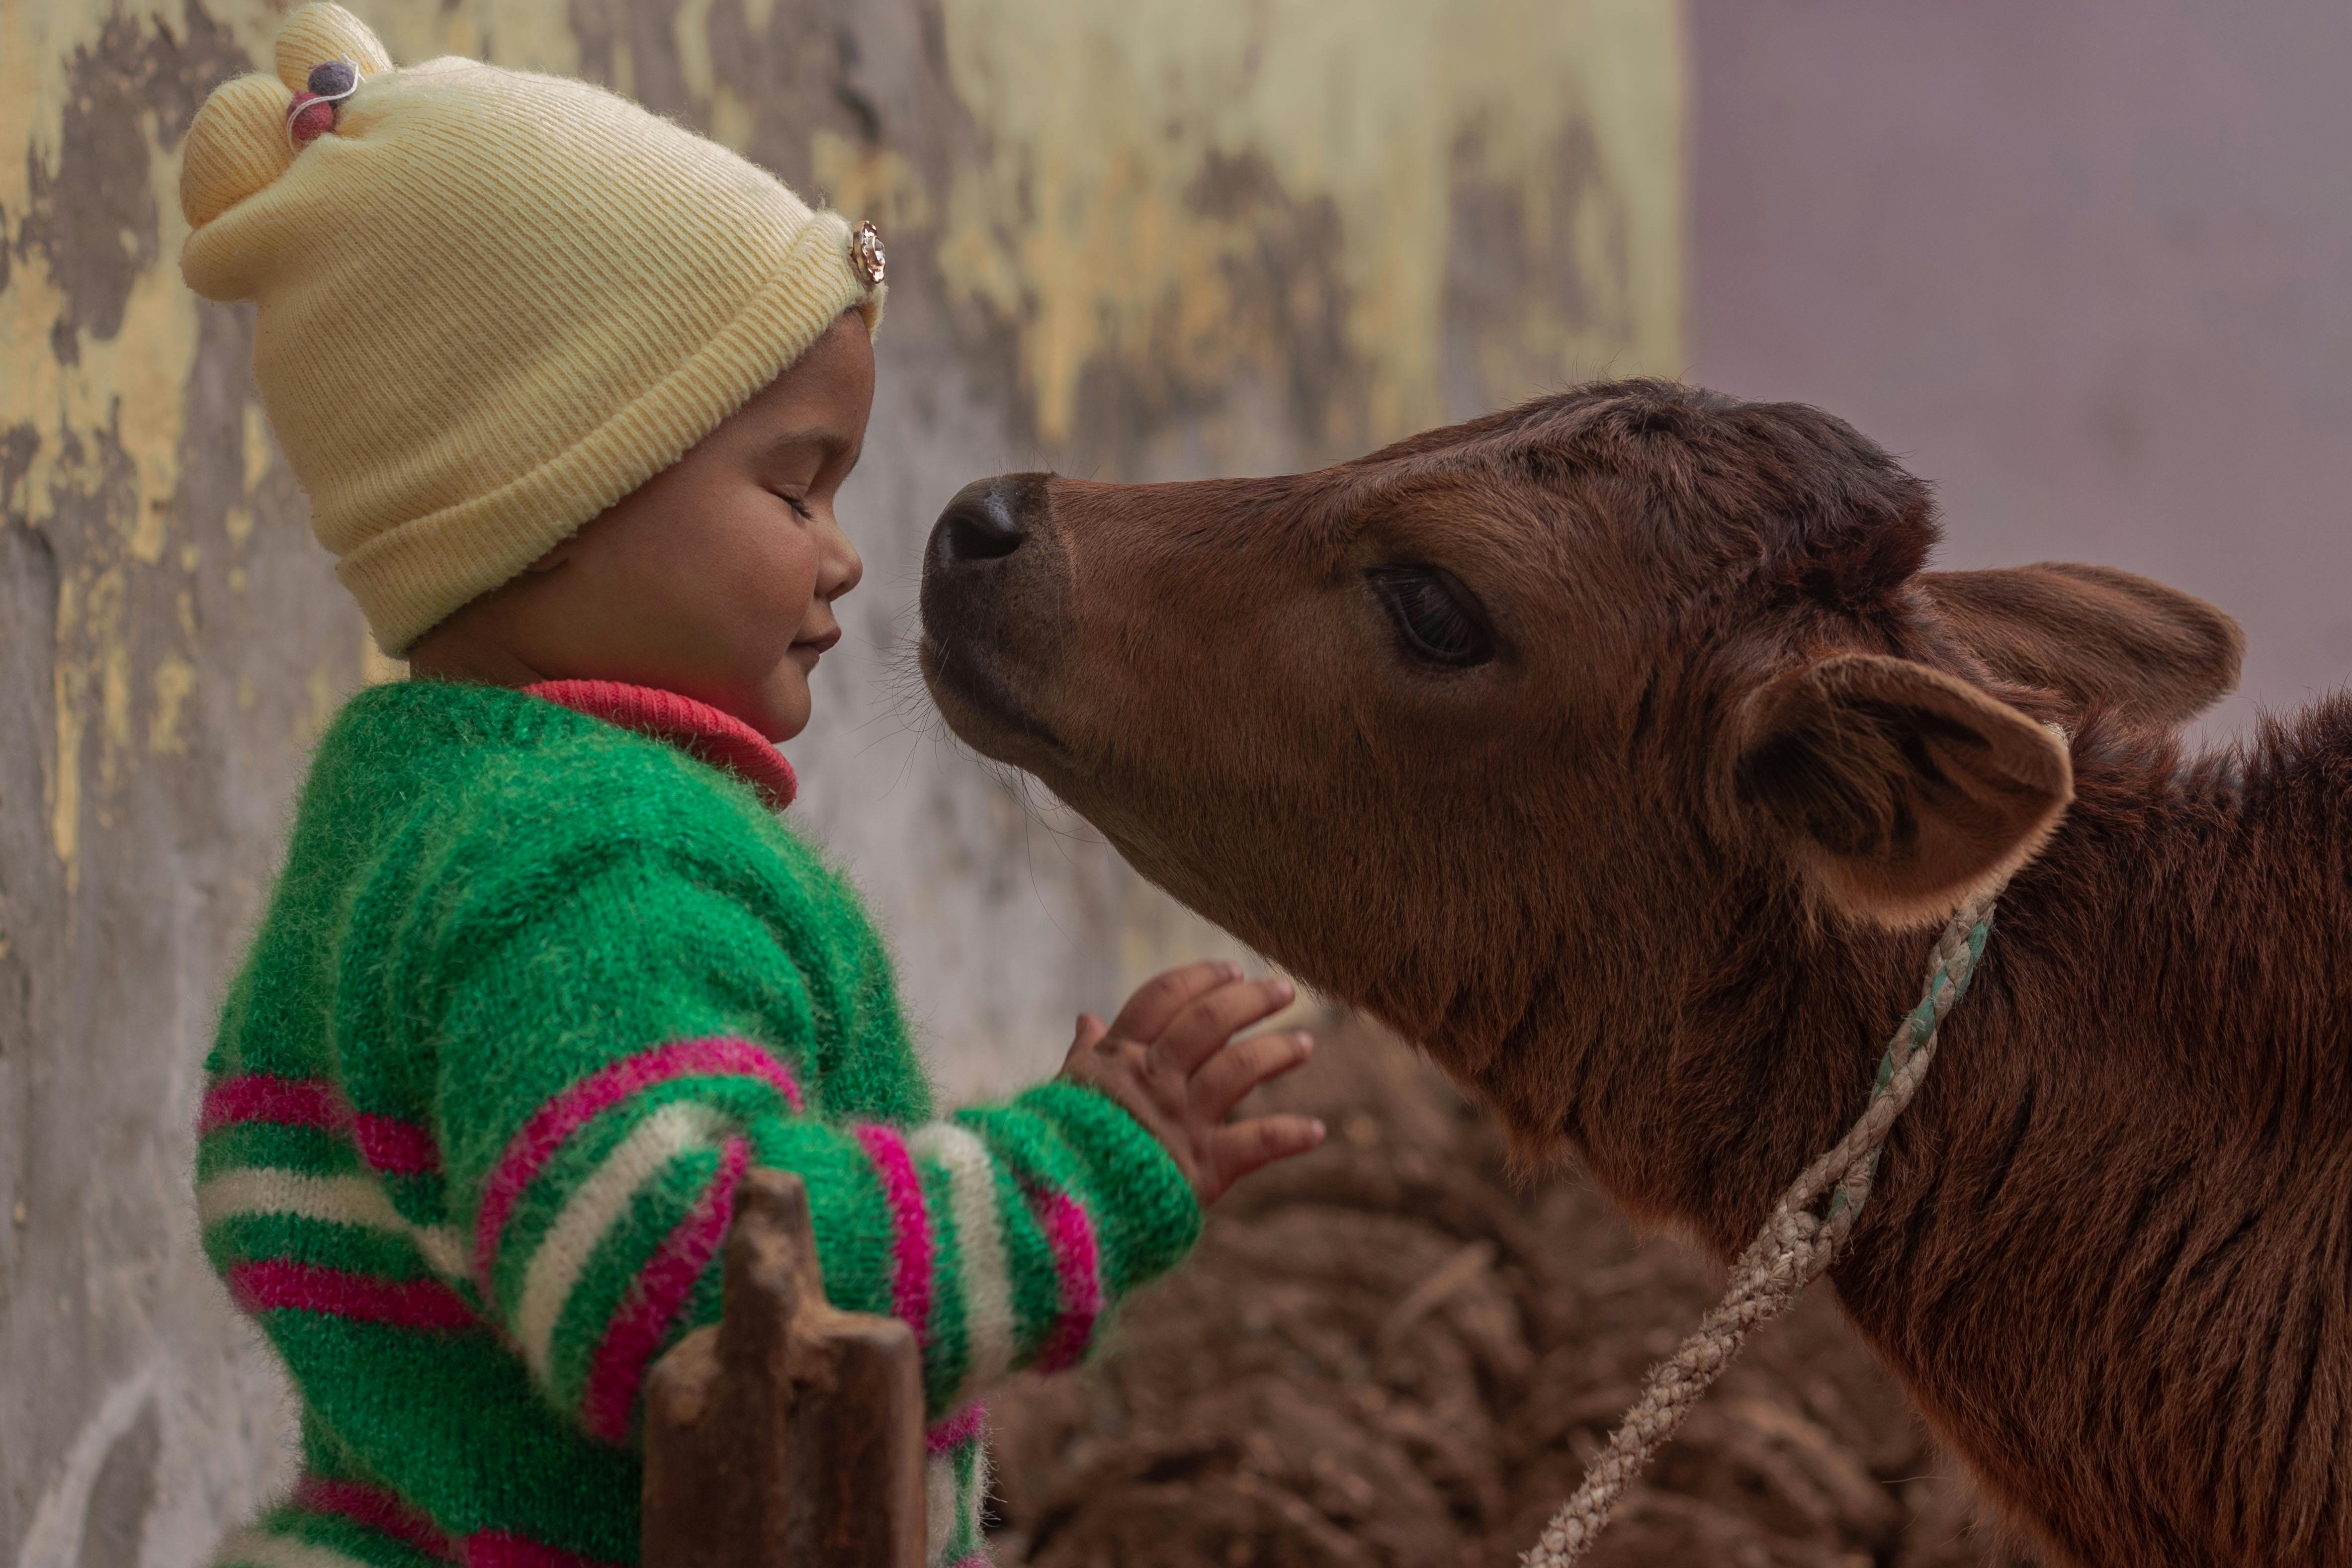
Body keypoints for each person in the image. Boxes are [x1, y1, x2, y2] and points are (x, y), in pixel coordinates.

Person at [178, 10, 1325, 1566]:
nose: (843, 553)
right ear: (551, 493)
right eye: (794, 485)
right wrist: (1082, 1170)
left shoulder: (409, 812)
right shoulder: (586, 861)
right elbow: (678, 1279)